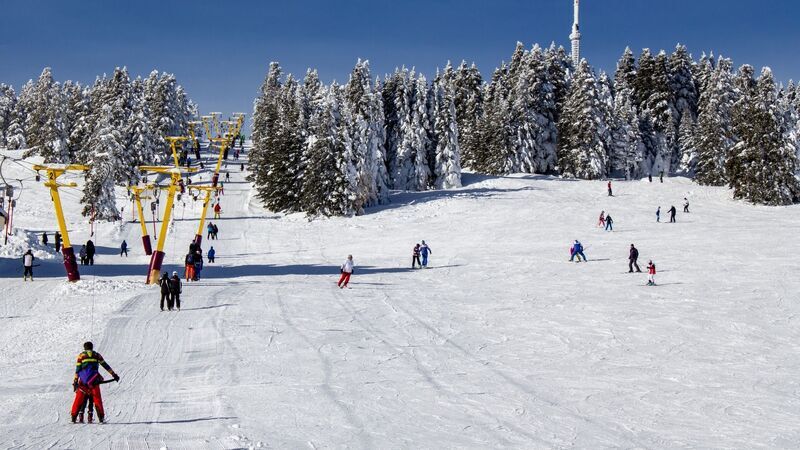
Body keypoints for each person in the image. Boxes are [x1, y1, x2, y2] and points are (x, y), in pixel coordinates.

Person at [71, 341, 119, 423]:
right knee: (97, 398)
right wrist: (113, 374)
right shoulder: (97, 355)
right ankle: (101, 418)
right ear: (92, 347)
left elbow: (78, 369)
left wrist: (75, 381)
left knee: (78, 399)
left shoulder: (81, 356)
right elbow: (105, 365)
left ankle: (73, 418)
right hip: (94, 381)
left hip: (83, 382)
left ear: (84, 348)